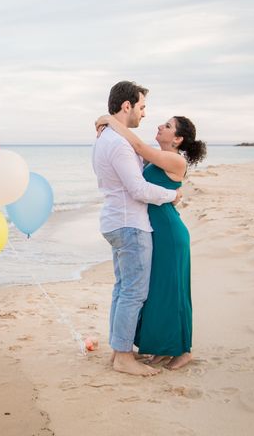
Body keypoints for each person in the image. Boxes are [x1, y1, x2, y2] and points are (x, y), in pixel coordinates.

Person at [95, 113, 206, 370]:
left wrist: (112, 122)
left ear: (177, 139)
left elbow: (138, 146)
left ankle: (184, 349)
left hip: (169, 232)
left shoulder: (174, 159)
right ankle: (163, 347)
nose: (159, 126)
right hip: (153, 229)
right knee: (158, 292)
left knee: (175, 290)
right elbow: (133, 161)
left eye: (167, 126)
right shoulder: (155, 158)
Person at [92, 81, 181, 376]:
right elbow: (138, 189)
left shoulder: (108, 137)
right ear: (127, 106)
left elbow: (142, 155)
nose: (144, 114)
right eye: (142, 107)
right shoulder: (117, 143)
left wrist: (107, 121)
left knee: (123, 289)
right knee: (133, 293)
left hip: (117, 221)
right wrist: (173, 195)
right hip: (130, 224)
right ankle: (122, 356)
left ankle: (120, 350)